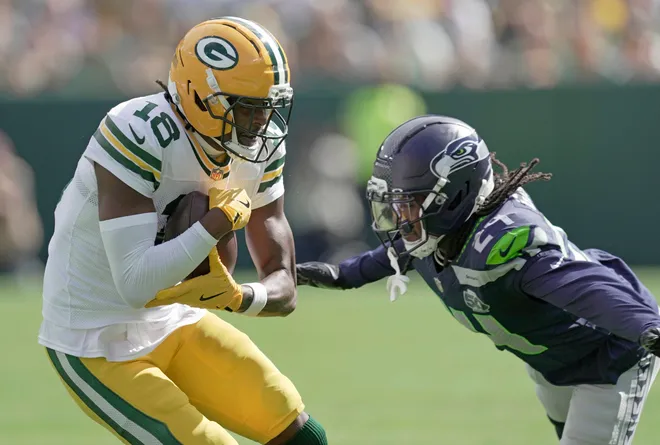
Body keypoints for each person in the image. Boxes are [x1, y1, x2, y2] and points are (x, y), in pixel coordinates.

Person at [39, 17, 327, 445]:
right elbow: (135, 284)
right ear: (197, 94)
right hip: (94, 335)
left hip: (175, 319)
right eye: (246, 106)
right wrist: (215, 225)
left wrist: (239, 297)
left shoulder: (259, 141)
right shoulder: (138, 129)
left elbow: (283, 283)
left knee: (301, 436)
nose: (260, 122)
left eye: (268, 106)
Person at [296, 115, 660, 445]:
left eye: (410, 203)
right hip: (552, 363)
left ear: (454, 197)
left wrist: (646, 326)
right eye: (395, 203)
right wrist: (342, 275)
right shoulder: (436, 234)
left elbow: (591, 289)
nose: (399, 216)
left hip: (609, 355)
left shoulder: (504, 246)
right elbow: (395, 254)